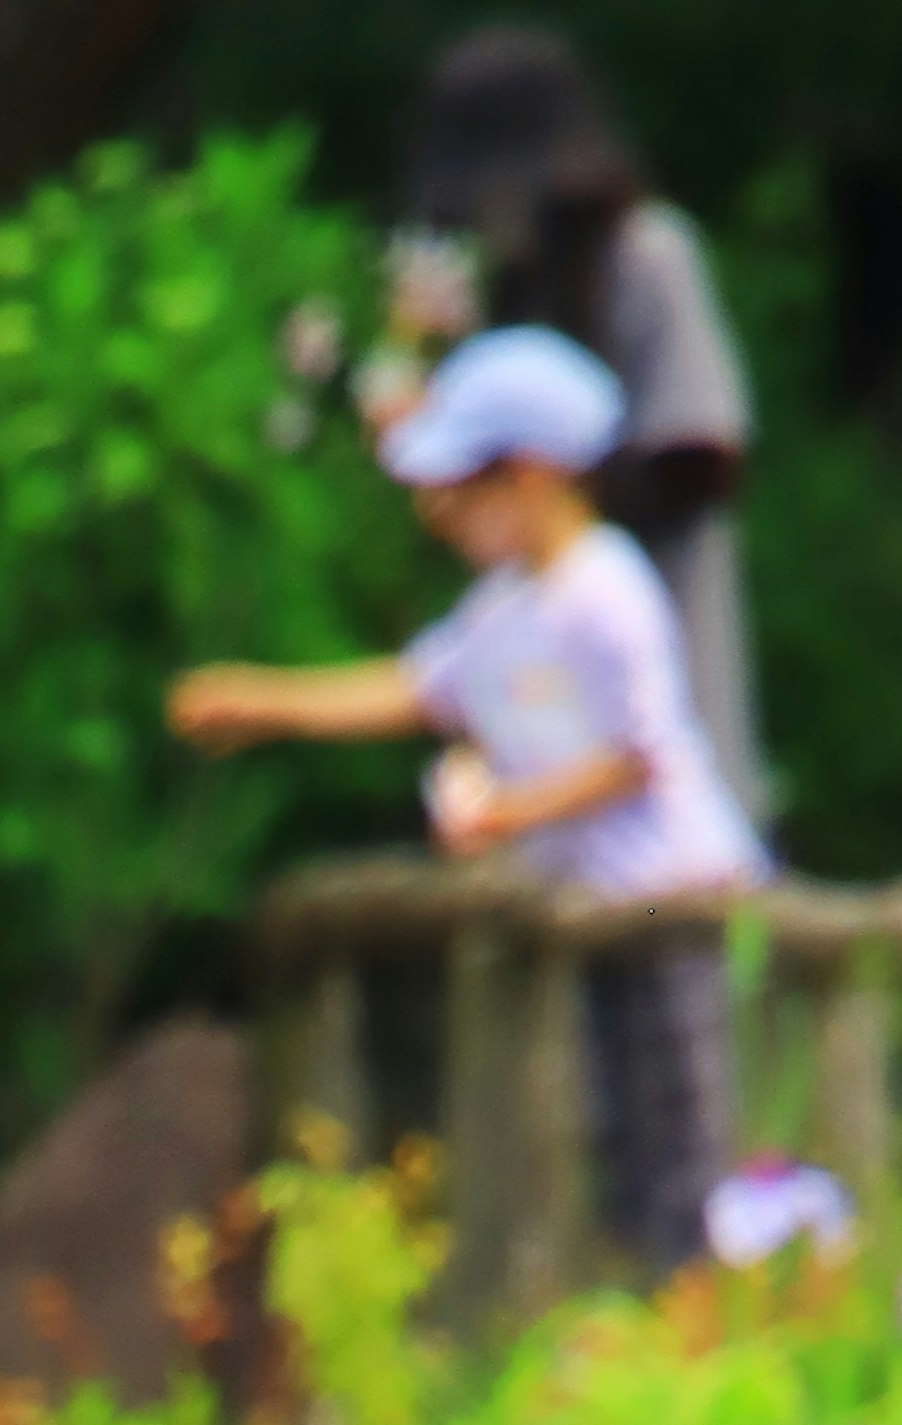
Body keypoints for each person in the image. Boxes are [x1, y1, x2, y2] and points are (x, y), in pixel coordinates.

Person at [166, 323, 761, 1278]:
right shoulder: (503, 611)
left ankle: (704, 1315)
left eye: (460, 487)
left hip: (669, 910)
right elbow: (416, 689)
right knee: (613, 1148)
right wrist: (265, 703)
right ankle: (651, 1317)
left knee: (683, 1151)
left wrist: (507, 815)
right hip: (591, 918)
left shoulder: (607, 591)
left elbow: (638, 756)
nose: (438, 512)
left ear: (529, 475)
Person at [404, 24, 760, 818]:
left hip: (662, 619)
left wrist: (552, 501)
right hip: (551, 679)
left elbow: (702, 456)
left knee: (674, 844)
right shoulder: (522, 285)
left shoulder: (645, 257)